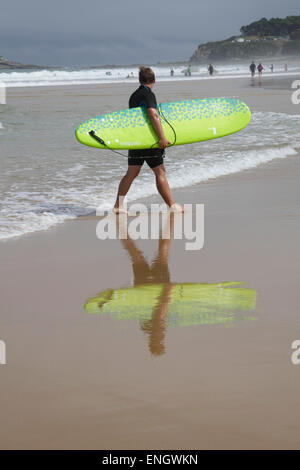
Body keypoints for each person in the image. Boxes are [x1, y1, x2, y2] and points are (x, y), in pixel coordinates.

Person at [114, 66, 182, 213]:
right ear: (154, 80)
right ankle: (172, 205)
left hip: (136, 140)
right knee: (160, 172)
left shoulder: (134, 95)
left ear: (139, 80)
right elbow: (153, 115)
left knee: (131, 173)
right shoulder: (148, 94)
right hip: (149, 141)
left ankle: (118, 206)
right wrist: (162, 138)